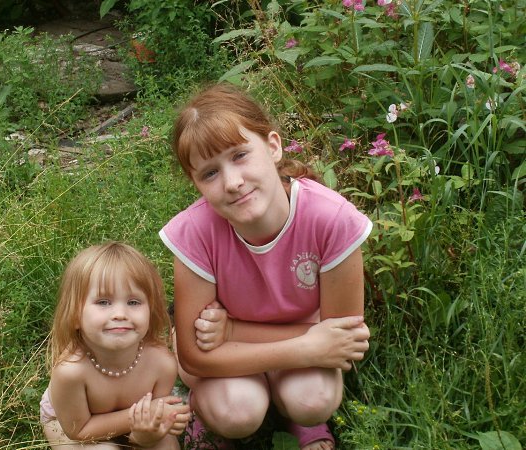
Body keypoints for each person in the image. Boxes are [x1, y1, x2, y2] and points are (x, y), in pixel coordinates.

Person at [159, 83, 372, 450]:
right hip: (227, 355)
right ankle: (206, 416)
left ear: (273, 146)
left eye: (240, 155)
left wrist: (233, 331)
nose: (233, 182)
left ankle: (296, 417)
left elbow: (344, 341)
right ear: (195, 183)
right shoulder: (193, 232)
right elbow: (195, 357)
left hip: (234, 341)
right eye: (209, 173)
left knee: (313, 398)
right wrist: (306, 346)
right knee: (235, 411)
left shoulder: (332, 219)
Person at [40, 241, 191, 449]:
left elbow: (149, 430)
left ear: (151, 311)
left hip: (133, 425)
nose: (120, 314)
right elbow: (79, 431)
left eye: (133, 302)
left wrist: (147, 431)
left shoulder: (162, 363)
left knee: (166, 446)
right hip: (73, 425)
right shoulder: (71, 371)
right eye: (103, 302)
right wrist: (137, 416)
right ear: (75, 315)